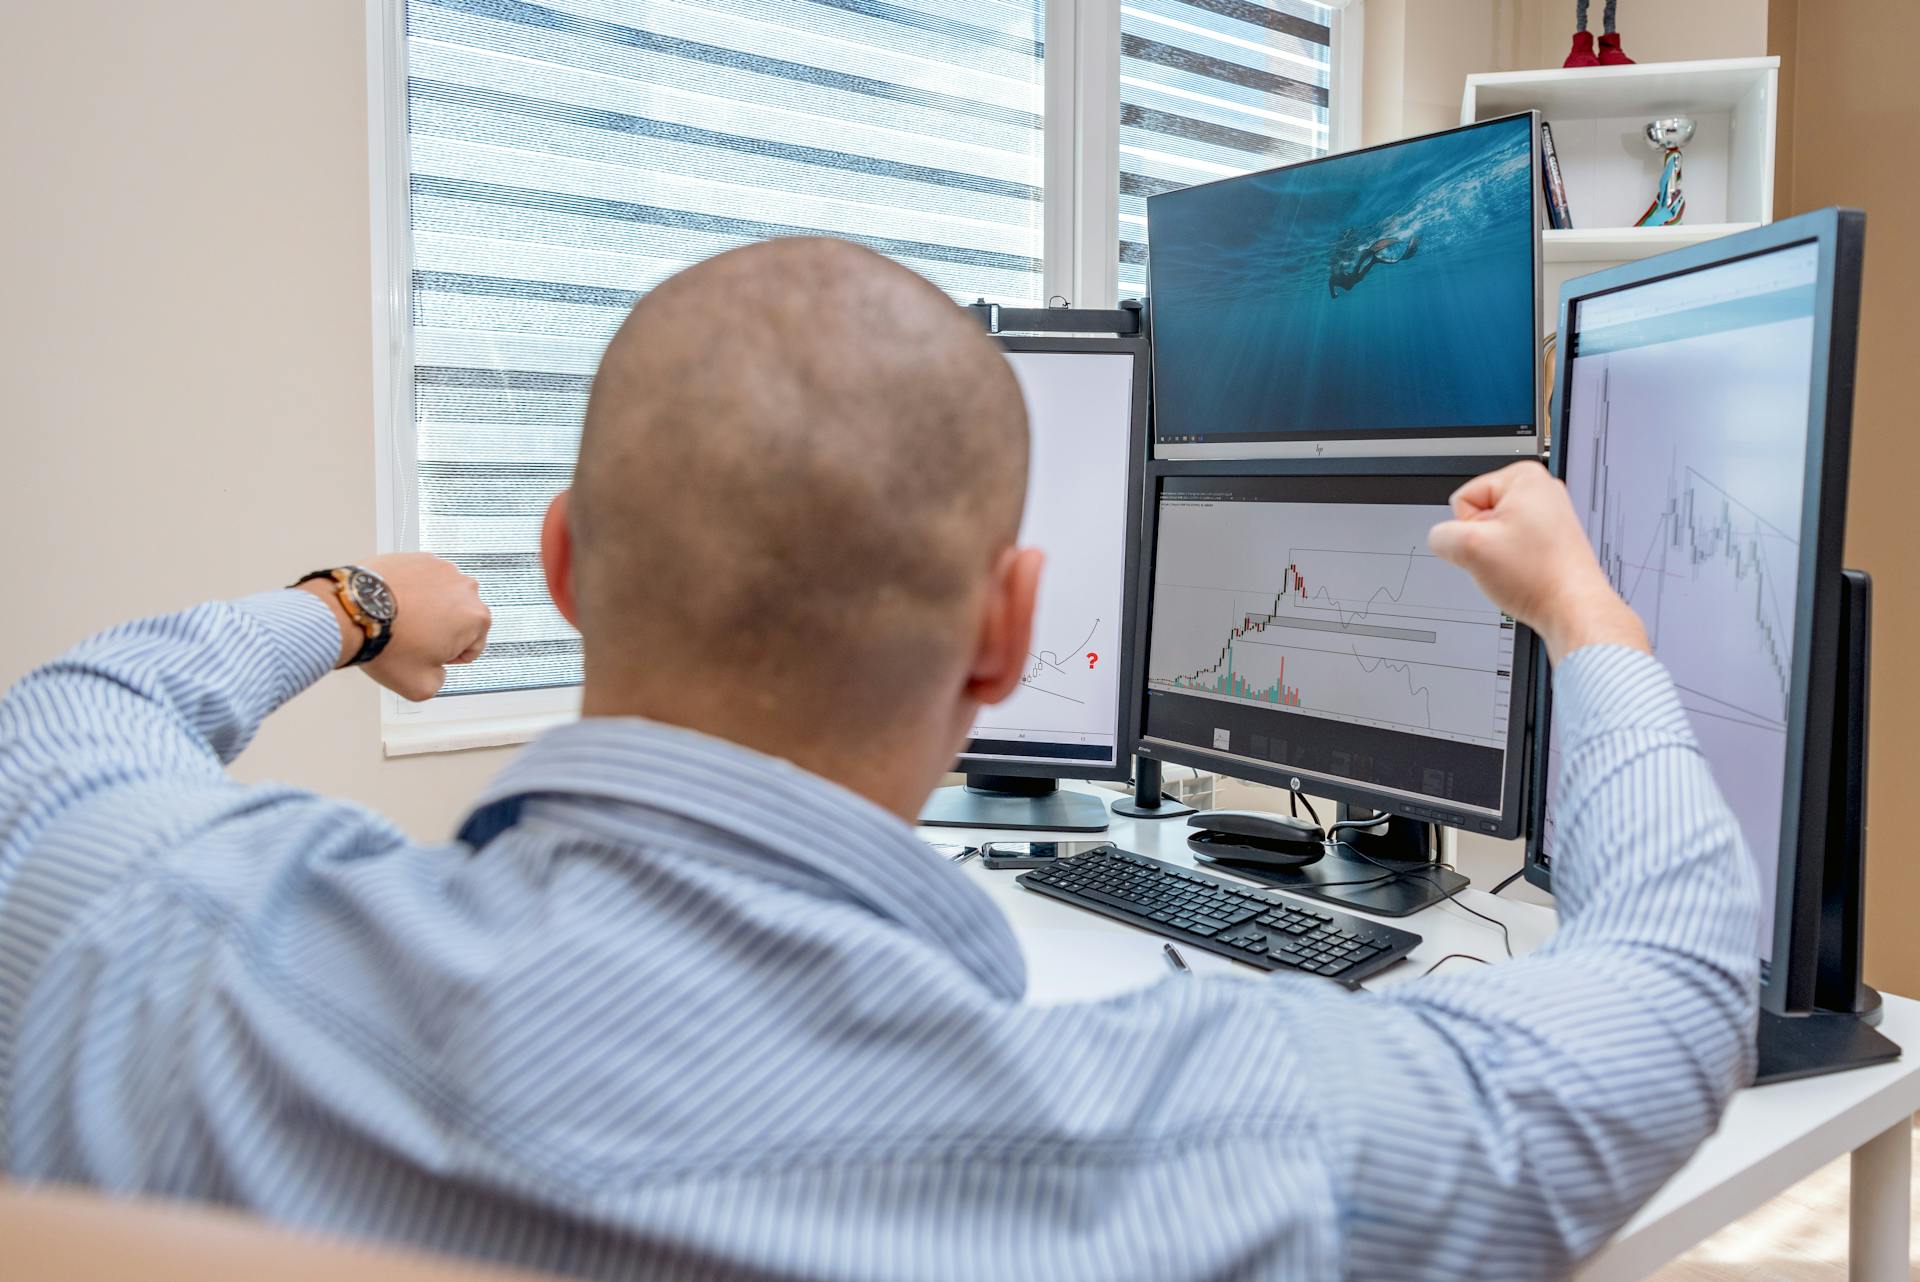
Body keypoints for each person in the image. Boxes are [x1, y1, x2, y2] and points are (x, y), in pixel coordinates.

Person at [0, 238, 1757, 1281]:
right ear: (1006, 632)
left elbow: (72, 715)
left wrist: (353, 602)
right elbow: (1678, 975)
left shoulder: (149, 937)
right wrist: (1587, 618)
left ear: (562, 564)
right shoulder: (1200, 1139)